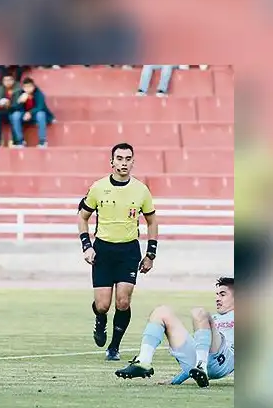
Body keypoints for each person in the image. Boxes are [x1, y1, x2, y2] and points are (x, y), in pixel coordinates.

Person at [77, 142, 159, 362]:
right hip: (103, 250)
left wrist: (150, 254)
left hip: (128, 251)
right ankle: (100, 319)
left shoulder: (141, 190)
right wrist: (87, 246)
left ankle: (114, 347)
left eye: (128, 159)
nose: (124, 163)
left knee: (123, 302)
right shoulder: (98, 187)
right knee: (103, 305)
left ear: (133, 162)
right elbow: (82, 216)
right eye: (119, 158)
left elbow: (152, 221)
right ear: (111, 161)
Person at [118, 277, 235, 386]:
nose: (217, 298)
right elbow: (201, 348)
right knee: (161, 311)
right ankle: (143, 361)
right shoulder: (213, 318)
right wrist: (175, 381)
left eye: (223, 294)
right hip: (200, 361)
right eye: (217, 295)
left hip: (223, 360)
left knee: (199, 312)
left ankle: (201, 366)